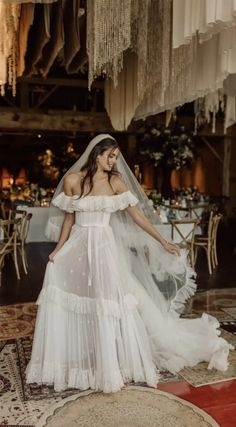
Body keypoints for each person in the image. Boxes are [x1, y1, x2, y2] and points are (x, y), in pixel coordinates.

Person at [26, 134, 233, 393]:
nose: (114, 161)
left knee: (107, 301)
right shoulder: (72, 181)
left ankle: (109, 364)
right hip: (78, 246)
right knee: (77, 297)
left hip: (103, 246)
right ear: (96, 154)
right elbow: (69, 219)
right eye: (110, 155)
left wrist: (161, 240)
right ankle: (79, 354)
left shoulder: (116, 183)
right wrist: (58, 250)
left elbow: (138, 217)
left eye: (116, 156)